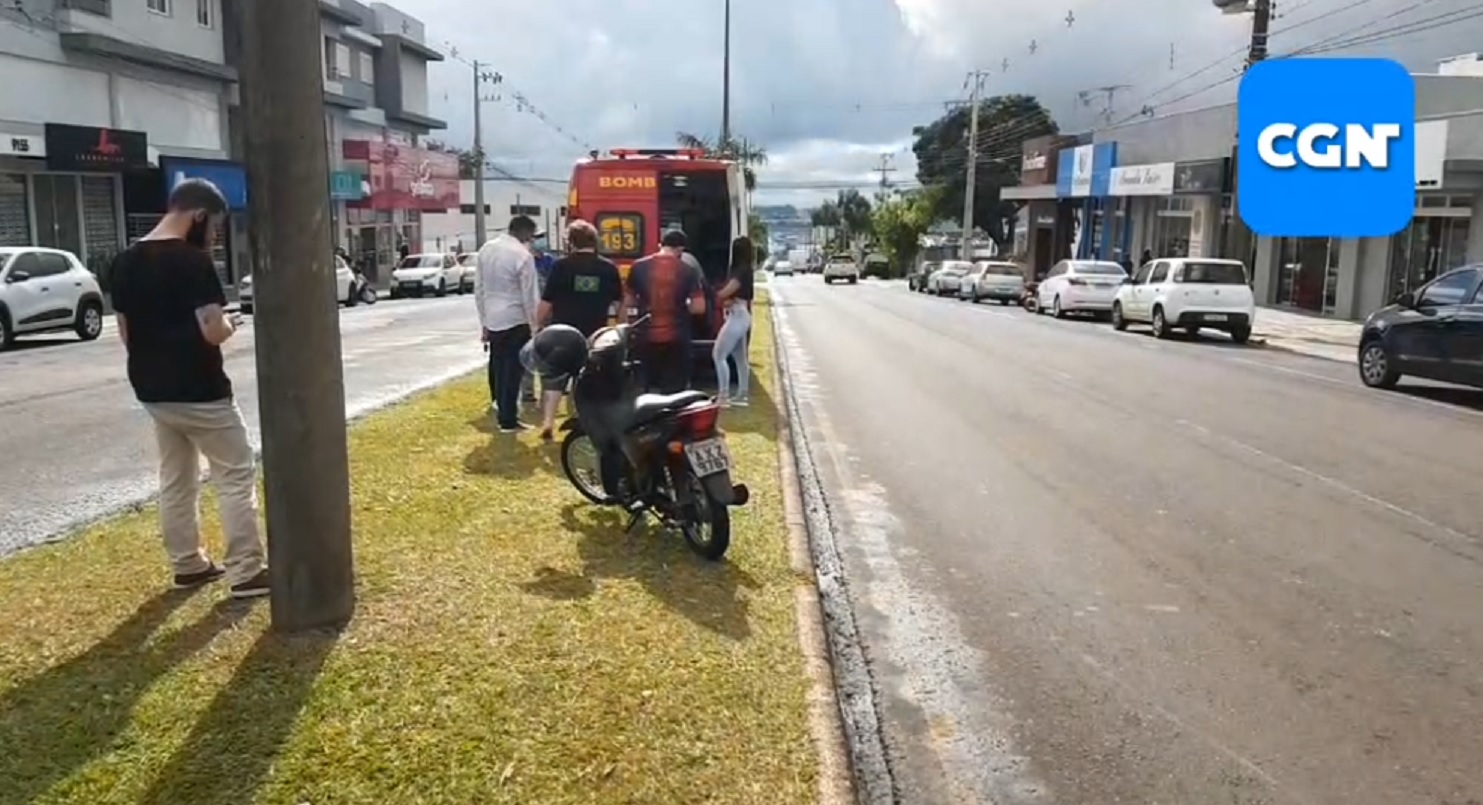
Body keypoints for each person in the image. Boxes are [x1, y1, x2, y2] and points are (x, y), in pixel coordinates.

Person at [108, 178, 269, 598]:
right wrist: (233, 322)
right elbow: (213, 331)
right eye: (213, 225)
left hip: (151, 389)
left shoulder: (124, 261)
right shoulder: (193, 263)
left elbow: (126, 333)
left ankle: (188, 564)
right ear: (198, 215)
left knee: (176, 476)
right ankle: (247, 571)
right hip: (200, 388)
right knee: (234, 472)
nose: (213, 235)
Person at [534, 220, 624, 439]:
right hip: (595, 333)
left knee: (555, 377)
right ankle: (584, 421)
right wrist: (620, 329)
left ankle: (548, 422)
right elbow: (620, 303)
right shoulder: (608, 268)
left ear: (571, 242)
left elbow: (547, 302)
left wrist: (537, 325)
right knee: (587, 379)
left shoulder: (560, 266)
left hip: (562, 331)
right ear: (594, 241)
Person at [476, 215, 541, 432]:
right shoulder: (522, 255)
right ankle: (508, 419)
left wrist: (484, 321)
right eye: (531, 236)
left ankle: (498, 403)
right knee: (513, 371)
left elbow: (480, 289)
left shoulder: (486, 249)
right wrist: (535, 327)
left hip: (493, 318)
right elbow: (530, 296)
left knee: (498, 364)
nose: (531, 240)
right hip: (516, 319)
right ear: (524, 232)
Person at [625, 228, 705, 393]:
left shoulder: (638, 267)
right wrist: (685, 304)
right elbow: (699, 307)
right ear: (681, 249)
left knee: (643, 388)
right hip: (677, 338)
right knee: (673, 391)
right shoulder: (688, 270)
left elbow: (629, 301)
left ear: (660, 245)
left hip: (645, 335)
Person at [713, 236, 755, 407]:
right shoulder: (748, 270)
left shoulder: (740, 271)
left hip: (737, 315)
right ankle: (742, 394)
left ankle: (723, 396)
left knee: (718, 354)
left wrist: (715, 294)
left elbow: (728, 291)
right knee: (739, 357)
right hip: (743, 313)